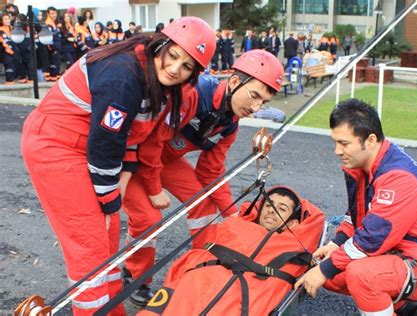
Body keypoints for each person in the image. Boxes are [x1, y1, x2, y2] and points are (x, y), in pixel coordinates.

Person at [20, 17, 216, 315]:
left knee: (108, 236)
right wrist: (110, 197)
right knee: (89, 244)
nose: (176, 69)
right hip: (56, 145)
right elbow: (106, 146)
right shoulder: (123, 76)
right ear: (159, 45)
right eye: (173, 56)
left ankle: (112, 308)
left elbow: (132, 134)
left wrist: (118, 186)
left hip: (85, 144)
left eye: (187, 66)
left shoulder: (151, 76)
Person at [121, 49, 285, 306]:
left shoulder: (230, 123)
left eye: (263, 103)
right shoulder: (194, 93)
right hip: (132, 158)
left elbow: (211, 170)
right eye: (254, 96)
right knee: (148, 218)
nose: (255, 108)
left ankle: (202, 267)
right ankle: (134, 276)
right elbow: (152, 142)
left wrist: (231, 211)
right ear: (233, 82)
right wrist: (154, 188)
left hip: (166, 161)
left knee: (205, 205)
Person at [295, 99, 417, 316]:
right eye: (335, 142)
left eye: (344, 143)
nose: (337, 151)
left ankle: (399, 302)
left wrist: (324, 269)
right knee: (334, 274)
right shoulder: (368, 165)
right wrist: (336, 243)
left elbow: (371, 239)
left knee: (360, 274)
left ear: (371, 140)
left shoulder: (397, 178)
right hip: (405, 249)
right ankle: (408, 309)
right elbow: (358, 216)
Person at [137, 186, 325, 315]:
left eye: (281, 209)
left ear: (292, 222)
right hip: (206, 275)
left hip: (253, 289)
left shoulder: (295, 244)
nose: (271, 210)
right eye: (268, 205)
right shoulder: (235, 225)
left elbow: (314, 226)